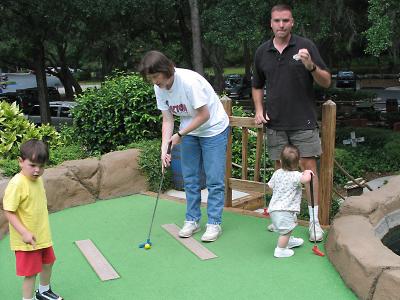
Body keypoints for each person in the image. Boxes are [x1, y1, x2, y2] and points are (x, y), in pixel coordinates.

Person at [252, 4, 331, 242]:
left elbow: (326, 81)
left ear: (292, 22)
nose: (281, 25)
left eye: (285, 20)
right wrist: (258, 110)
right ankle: (281, 219)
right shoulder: (262, 51)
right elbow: (256, 85)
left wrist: (311, 66)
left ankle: (314, 222)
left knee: (309, 170)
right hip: (275, 123)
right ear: (271, 23)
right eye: (277, 21)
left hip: (304, 121)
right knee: (281, 173)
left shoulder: (306, 46)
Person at [138, 50, 230, 242]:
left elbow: (205, 115)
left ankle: (214, 223)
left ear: (166, 70)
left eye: (156, 76)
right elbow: (167, 120)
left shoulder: (189, 82)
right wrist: (164, 148)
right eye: (151, 78)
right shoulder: (159, 88)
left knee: (214, 179)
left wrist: (180, 134)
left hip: (213, 129)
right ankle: (192, 219)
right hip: (189, 130)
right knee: (190, 178)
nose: (154, 81)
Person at [3, 139, 63, 300]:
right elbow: (9, 211)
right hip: (26, 241)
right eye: (33, 165)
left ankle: (43, 291)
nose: (37, 170)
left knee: (48, 262)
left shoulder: (37, 179)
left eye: (42, 166)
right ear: (20, 162)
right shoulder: (17, 184)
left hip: (42, 235)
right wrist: (24, 232)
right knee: (30, 274)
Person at [268, 144, 313, 258]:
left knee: (290, 226)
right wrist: (308, 172)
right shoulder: (296, 175)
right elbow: (306, 179)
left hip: (274, 209)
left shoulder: (277, 173)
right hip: (285, 210)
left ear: (281, 161)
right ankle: (280, 250)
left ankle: (289, 241)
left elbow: (271, 186)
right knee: (285, 231)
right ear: (298, 163)